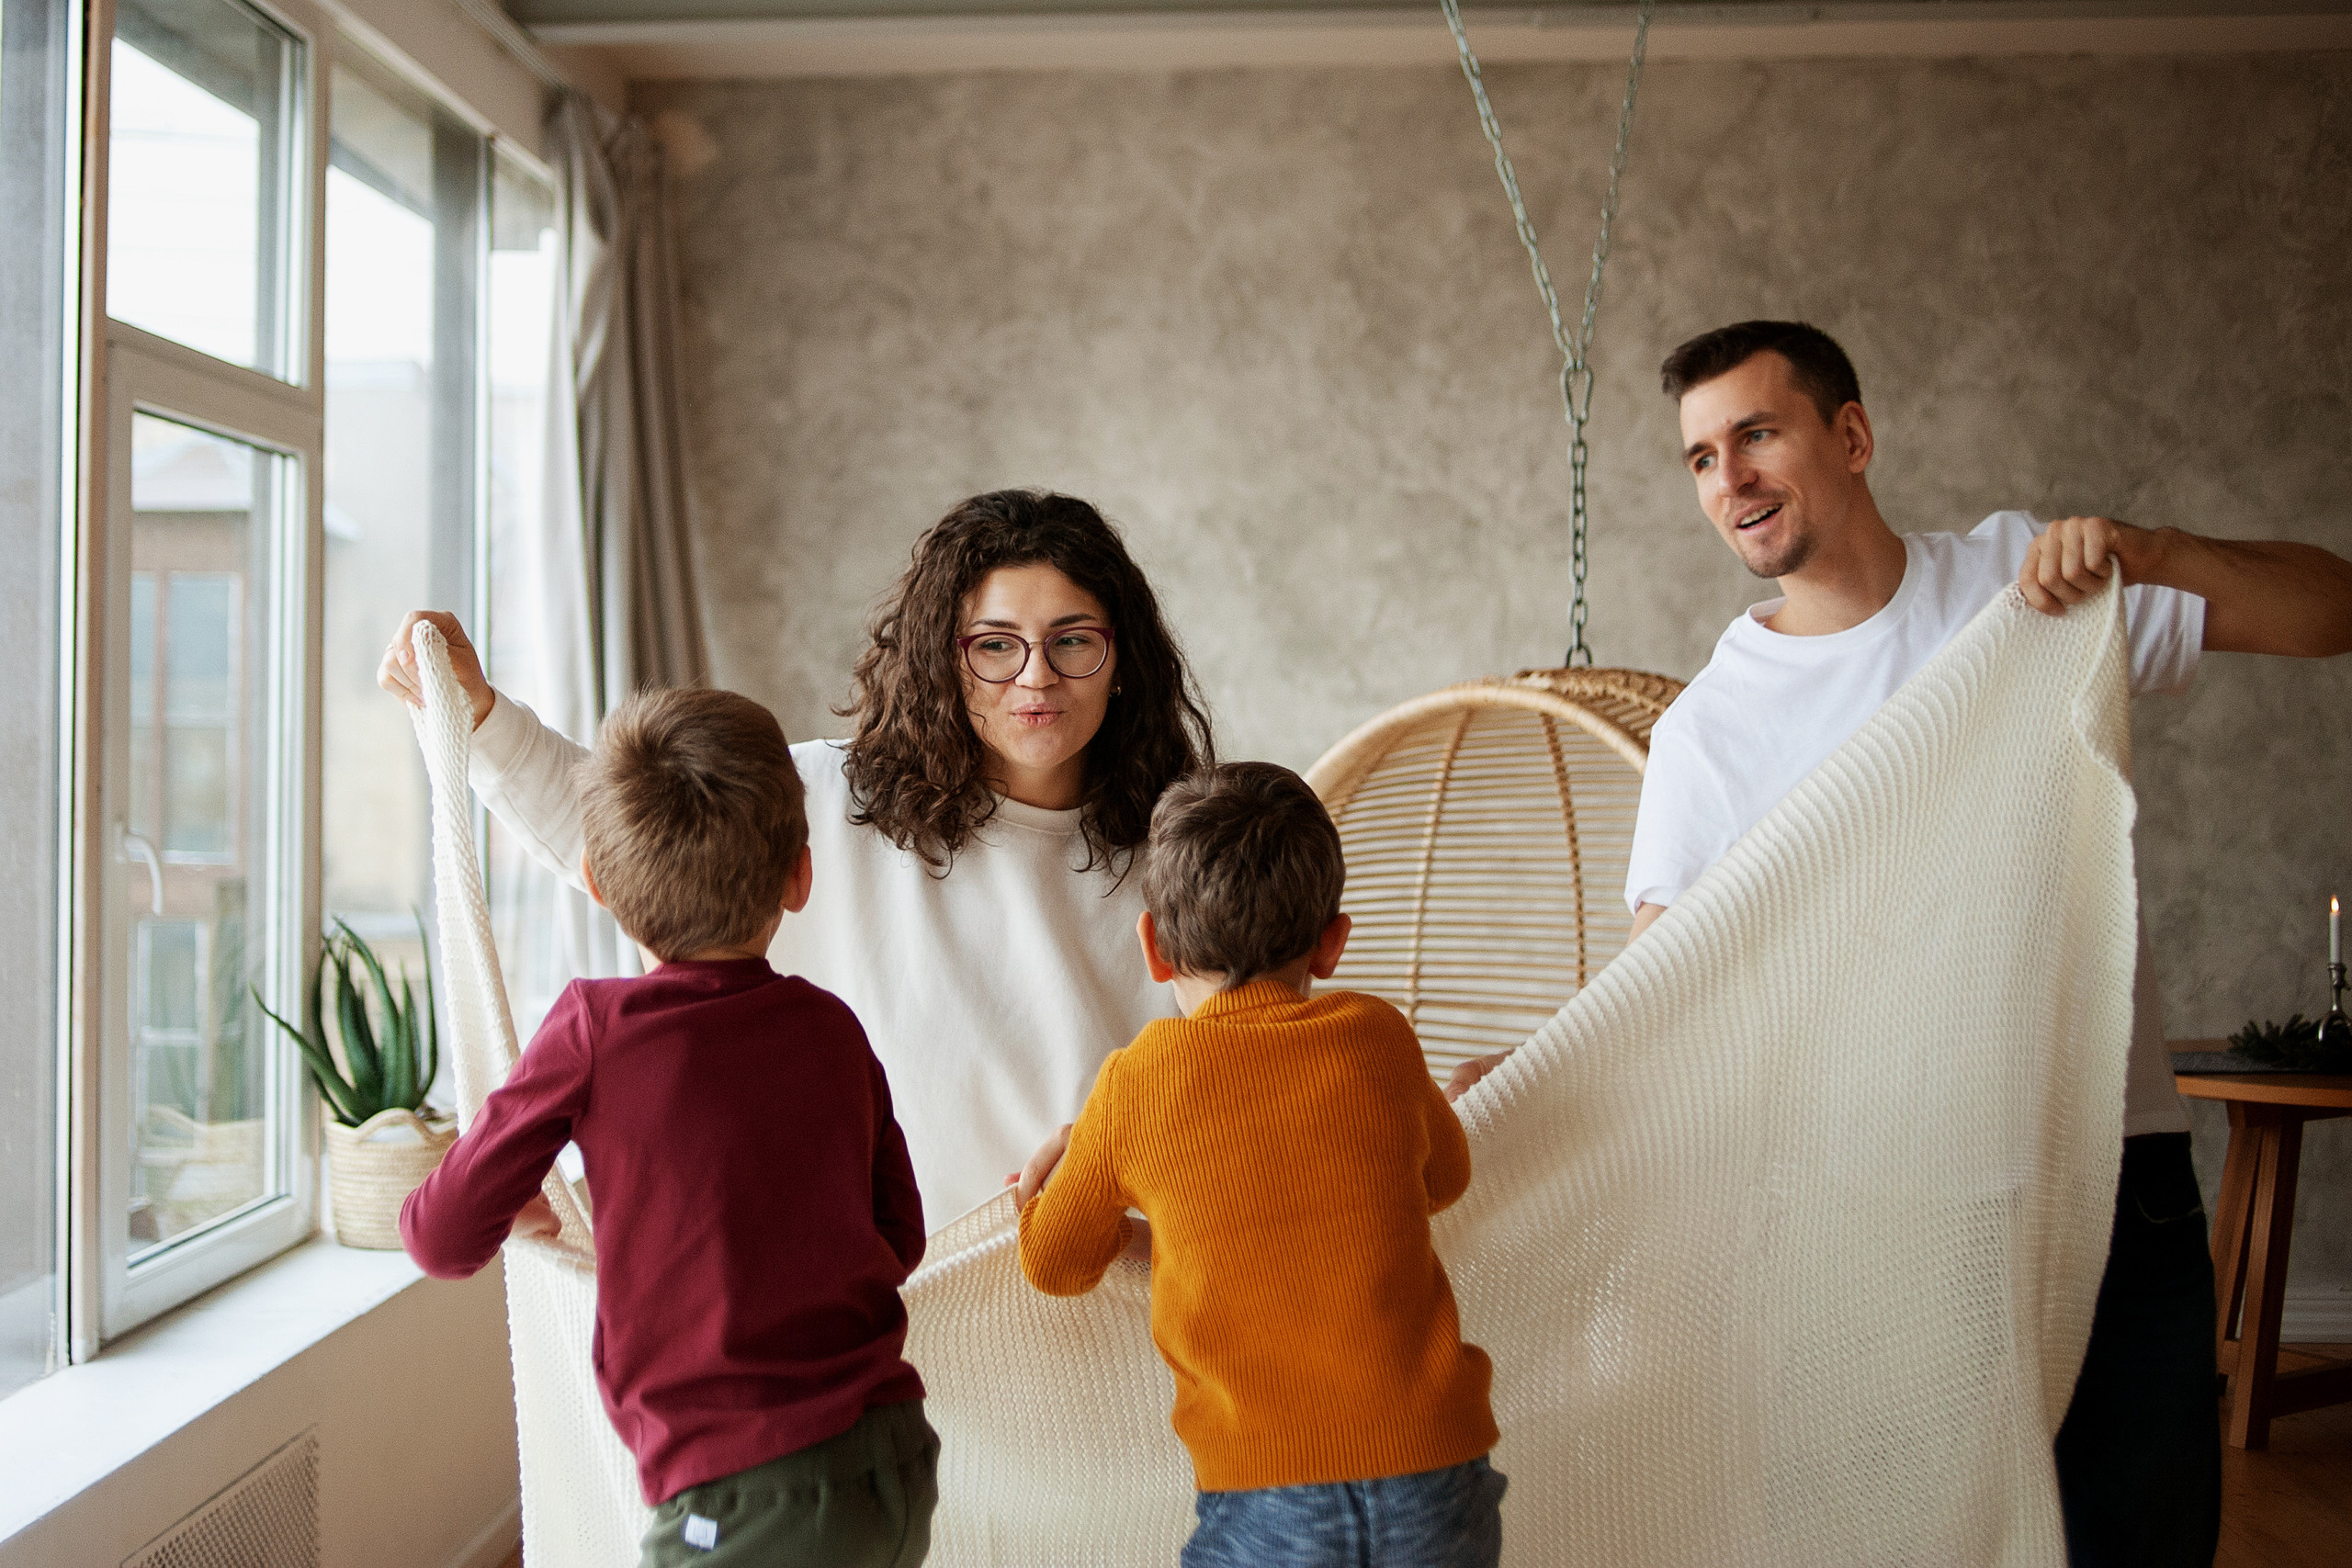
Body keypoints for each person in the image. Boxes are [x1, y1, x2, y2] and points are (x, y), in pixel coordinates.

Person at [1448, 320, 2352, 1565]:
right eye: (1702, 458)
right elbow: (1660, 1006)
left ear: (1853, 435)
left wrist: (2154, 552)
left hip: (2108, 1164)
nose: (1731, 480)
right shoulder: (1712, 732)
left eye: (1757, 433)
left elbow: (2331, 611)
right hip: (1873, 1209)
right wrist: (1521, 1086)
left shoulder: (2026, 590)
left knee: (2140, 1539)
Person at [378, 490, 1214, 1227]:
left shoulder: (1182, 851)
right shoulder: (828, 793)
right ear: (945, 661)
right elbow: (616, 834)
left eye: (1072, 641)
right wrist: (479, 714)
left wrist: (1122, 1154)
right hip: (878, 1318)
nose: (1037, 676)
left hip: (1109, 1294)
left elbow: (1241, 1084)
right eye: (995, 645)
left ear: (1121, 664)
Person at [400, 687, 936, 1568]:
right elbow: (897, 1239)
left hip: (741, 1491)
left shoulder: (592, 1030)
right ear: (801, 875)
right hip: (894, 1458)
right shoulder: (832, 1028)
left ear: (599, 886)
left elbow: (440, 1236)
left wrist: (512, 1202)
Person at [1017, 762, 1504, 1568]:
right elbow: (1441, 1182)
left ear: (1154, 948)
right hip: (1437, 1475)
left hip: (1268, 1496)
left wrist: (1048, 1188)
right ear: (1333, 941)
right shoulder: (1378, 1037)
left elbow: (1055, 1262)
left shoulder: (1136, 1084)